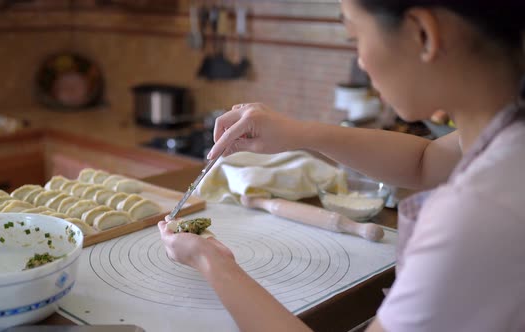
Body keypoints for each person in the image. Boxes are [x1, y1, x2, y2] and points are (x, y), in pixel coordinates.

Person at [159, 0, 525, 331]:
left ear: (422, 35)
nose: (361, 61)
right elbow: (426, 161)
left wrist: (213, 264)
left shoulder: (480, 211)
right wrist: (299, 133)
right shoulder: (507, 134)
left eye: (355, 35)